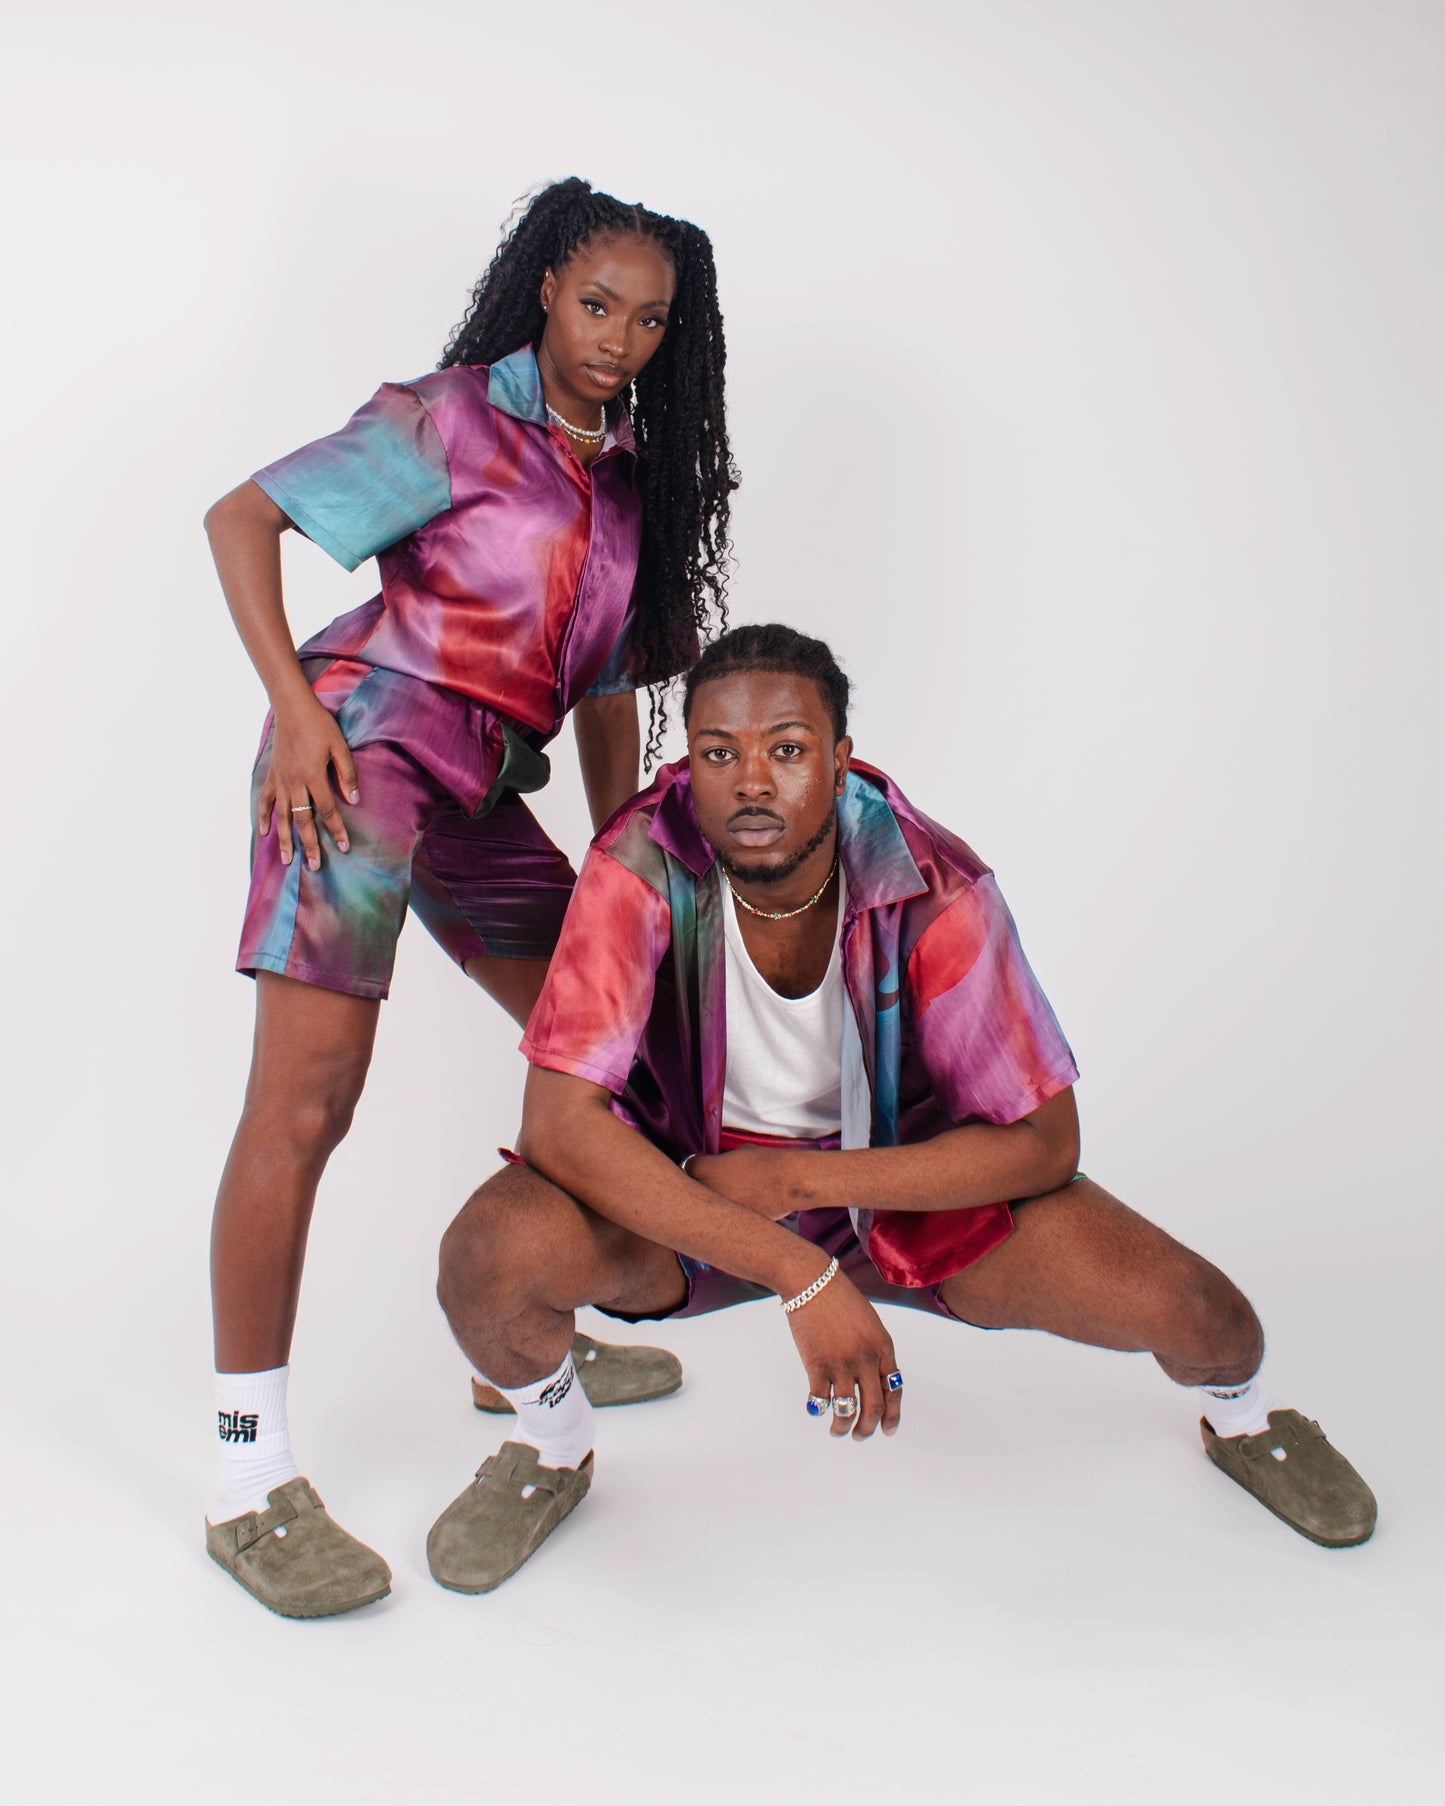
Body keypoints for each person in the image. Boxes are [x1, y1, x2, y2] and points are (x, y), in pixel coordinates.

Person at [430, 623, 1376, 1594]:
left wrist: (796, 1182)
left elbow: (1043, 1144)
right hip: (695, 1190)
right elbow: (560, 1126)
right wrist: (796, 1270)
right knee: (487, 1258)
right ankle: (553, 1442)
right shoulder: (638, 861)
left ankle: (1246, 1420)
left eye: (786, 750)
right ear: (688, 766)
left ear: (838, 760)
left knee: (1210, 1318)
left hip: (903, 1191)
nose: (750, 782)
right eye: (718, 754)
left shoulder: (933, 883)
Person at [202, 178, 737, 1619]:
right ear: (544, 288)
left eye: (648, 320)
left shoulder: (627, 480)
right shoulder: (450, 420)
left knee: (614, 1045)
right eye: (596, 304)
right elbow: (241, 517)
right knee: (306, 1105)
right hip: (357, 764)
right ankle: (247, 1475)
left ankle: (518, 1332)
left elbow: (608, 690)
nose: (617, 338)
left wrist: (621, 858)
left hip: (480, 793)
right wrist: (294, 712)